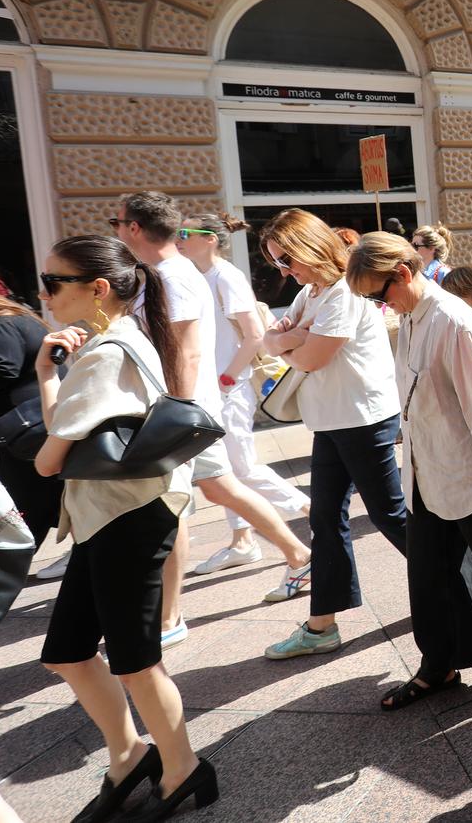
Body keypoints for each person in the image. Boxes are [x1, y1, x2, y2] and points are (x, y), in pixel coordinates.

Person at [34, 235, 219, 821]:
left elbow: (47, 459)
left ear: (98, 288)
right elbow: (63, 439)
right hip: (108, 513)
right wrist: (48, 371)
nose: (44, 295)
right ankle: (129, 754)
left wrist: (46, 379)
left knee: (136, 660)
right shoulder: (112, 342)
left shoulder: (107, 353)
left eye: (52, 282)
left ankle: (184, 767)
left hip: (128, 515)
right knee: (66, 651)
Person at [344, 233, 472, 709]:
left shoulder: (454, 321)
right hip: (424, 473)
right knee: (430, 577)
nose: (379, 306)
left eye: (378, 294)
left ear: (403, 273)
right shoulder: (412, 315)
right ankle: (440, 664)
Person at [112, 192, 312, 649]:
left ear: (136, 228)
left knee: (179, 503)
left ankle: (169, 617)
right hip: (188, 406)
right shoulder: (167, 273)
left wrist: (177, 409)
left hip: (183, 409)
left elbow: (187, 348)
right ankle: (299, 553)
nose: (116, 230)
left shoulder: (174, 277)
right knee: (221, 487)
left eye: (117, 222)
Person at [257, 208, 407, 659]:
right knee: (325, 519)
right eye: (277, 263)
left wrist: (292, 339)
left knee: (389, 515)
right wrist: (290, 338)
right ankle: (322, 625)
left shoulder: (343, 291)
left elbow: (309, 359)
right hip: (333, 420)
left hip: (363, 418)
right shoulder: (312, 291)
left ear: (311, 246)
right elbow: (270, 340)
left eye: (288, 258)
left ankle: (459, 577)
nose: (285, 270)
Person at [176, 213, 311, 576]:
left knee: (238, 470)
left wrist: (227, 376)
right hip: (216, 387)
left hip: (229, 387)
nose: (179, 238)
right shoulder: (198, 277)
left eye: (186, 232)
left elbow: (254, 334)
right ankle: (242, 541)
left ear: (210, 239)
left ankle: (307, 510)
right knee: (226, 472)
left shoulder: (226, 276)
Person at [0, 288, 59, 553]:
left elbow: (1, 371)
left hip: (26, 427)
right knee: (41, 497)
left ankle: (10, 561)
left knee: (20, 502)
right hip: (34, 424)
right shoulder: (15, 318)